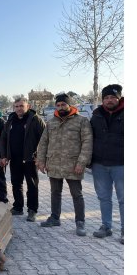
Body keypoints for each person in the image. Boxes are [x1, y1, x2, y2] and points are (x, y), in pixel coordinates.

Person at [37, 93, 93, 236]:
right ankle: (55, 218)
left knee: (77, 194)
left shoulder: (81, 121)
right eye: (58, 105)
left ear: (69, 105)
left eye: (63, 104)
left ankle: (80, 222)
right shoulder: (51, 122)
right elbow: (43, 143)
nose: (61, 107)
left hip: (73, 165)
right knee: (55, 192)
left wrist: (82, 162)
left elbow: (87, 142)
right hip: (54, 164)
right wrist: (41, 161)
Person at [0, 97, 46, 222]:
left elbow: (45, 140)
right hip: (14, 159)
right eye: (17, 106)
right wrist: (4, 156)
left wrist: (40, 158)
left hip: (30, 160)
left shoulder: (35, 120)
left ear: (28, 106)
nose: (19, 108)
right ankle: (18, 207)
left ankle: (32, 210)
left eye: (21, 106)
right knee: (16, 183)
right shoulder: (10, 120)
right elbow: (3, 139)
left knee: (31, 185)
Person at [90, 84, 124, 244]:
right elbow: (89, 138)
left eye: (113, 97)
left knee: (124, 199)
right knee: (104, 197)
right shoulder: (96, 115)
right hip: (100, 164)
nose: (109, 100)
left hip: (121, 164)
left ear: (119, 98)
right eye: (106, 97)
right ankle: (106, 226)